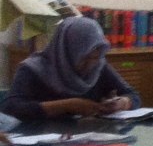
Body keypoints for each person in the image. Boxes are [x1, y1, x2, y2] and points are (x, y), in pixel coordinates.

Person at [1, 16, 141, 121]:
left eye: (95, 58)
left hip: (88, 139)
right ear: (66, 52)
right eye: (84, 58)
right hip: (40, 141)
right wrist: (66, 105)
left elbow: (133, 95)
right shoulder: (33, 69)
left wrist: (122, 103)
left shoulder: (99, 66)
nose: (90, 65)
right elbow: (11, 108)